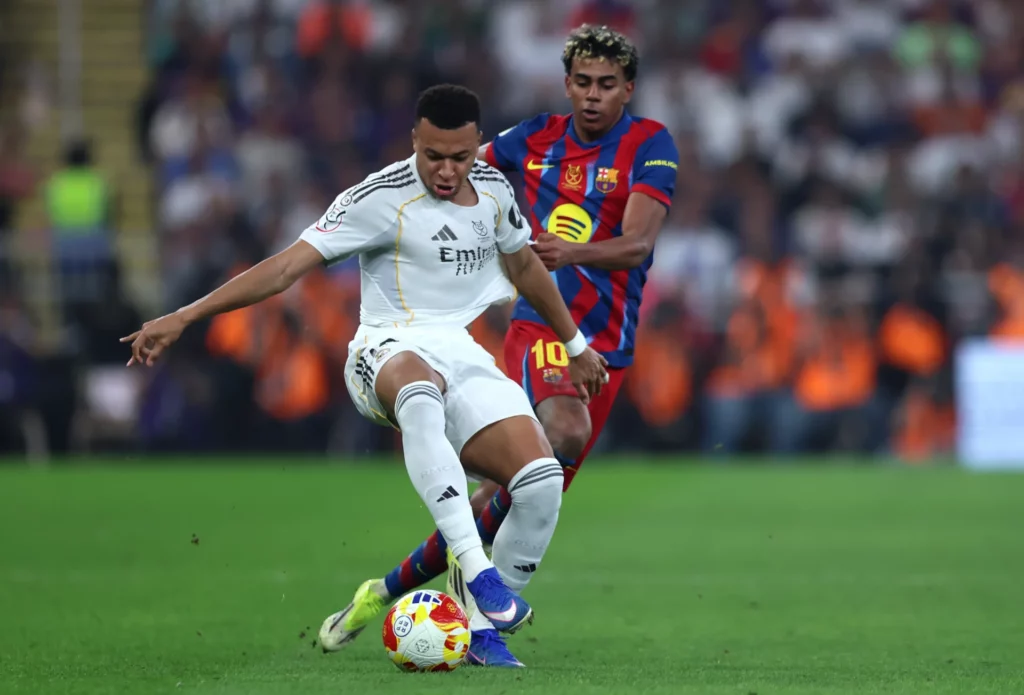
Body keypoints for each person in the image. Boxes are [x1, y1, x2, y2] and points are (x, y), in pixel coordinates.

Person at [121, 84, 608, 668]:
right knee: (419, 389)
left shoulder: (496, 192)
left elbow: (524, 264)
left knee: (540, 481)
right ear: (414, 143)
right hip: (384, 348)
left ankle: (480, 633)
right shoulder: (377, 197)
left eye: (460, 157)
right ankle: (477, 574)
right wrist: (185, 315)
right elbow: (284, 269)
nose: (447, 170)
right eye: (433, 156)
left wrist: (575, 343)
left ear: (478, 146)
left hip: (462, 350)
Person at [322, 24, 679, 659]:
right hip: (543, 325)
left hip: (608, 342)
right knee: (561, 434)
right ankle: (485, 623)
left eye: (607, 85)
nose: (593, 96)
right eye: (582, 83)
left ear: (628, 90)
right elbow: (454, 166)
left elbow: (638, 245)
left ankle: (385, 589)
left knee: (513, 494)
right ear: (567, 85)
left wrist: (571, 250)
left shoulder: (651, 144)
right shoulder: (531, 139)